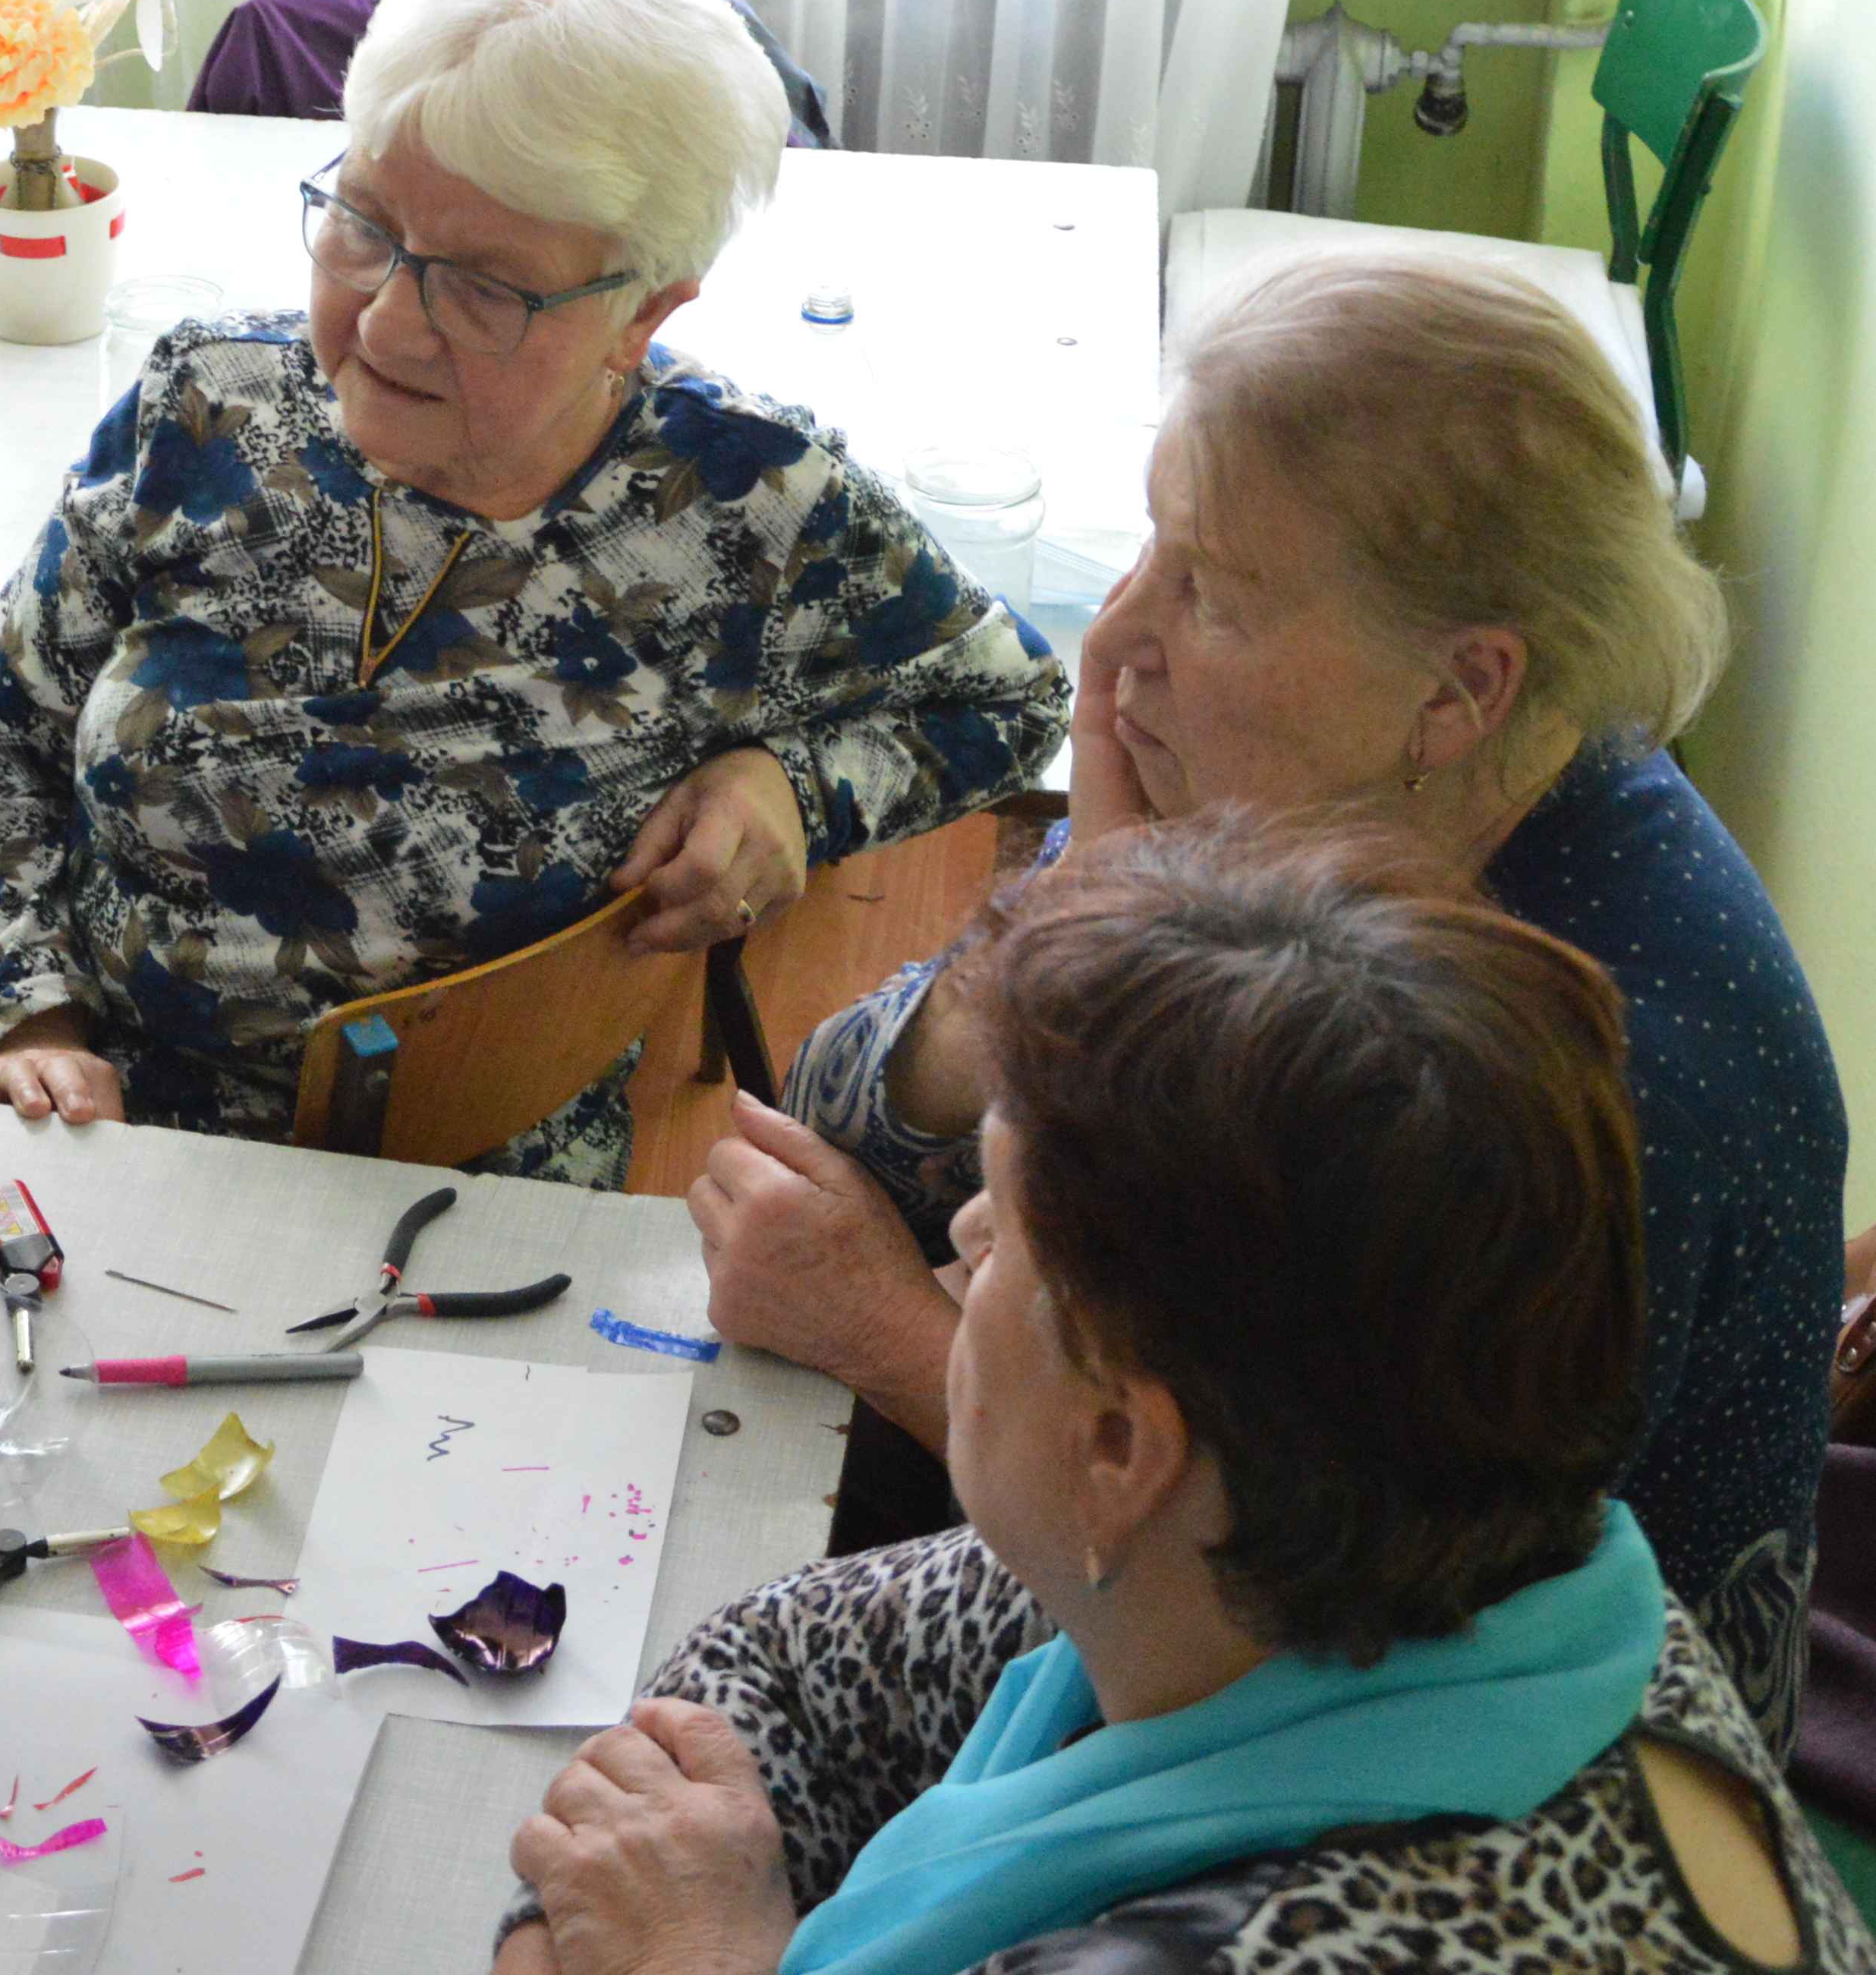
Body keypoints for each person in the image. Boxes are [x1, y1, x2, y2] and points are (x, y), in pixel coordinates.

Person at [701, 249, 1843, 1747]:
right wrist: (1090, 901)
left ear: (1463, 691)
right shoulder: (1361, 806)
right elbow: (843, 1107)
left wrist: (882, 1328)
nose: (1118, 646)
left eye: (1216, 594)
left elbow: (1309, 1632)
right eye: (1153, 552)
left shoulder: (1565, 1079)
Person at [496, 827, 1874, 1975]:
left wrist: (701, 1954)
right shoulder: (1352, 1555)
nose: (963, 1237)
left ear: (1117, 1447)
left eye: (1003, 1225)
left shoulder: (1290, 1941)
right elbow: (775, 1667)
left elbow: (655, 1856)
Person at [0, 0, 1070, 1175]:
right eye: (364, 226)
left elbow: (1005, 702)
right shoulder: (207, 405)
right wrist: (31, 1017)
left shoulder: (749, 503)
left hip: (472, 1174)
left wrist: (791, 790)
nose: (392, 327)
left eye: (485, 287)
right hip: (95, 1129)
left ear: (643, 313)